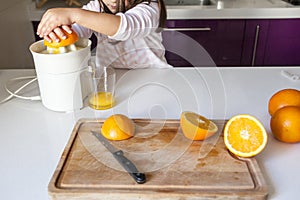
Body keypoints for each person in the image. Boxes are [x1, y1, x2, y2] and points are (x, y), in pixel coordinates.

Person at [36, 0, 172, 69]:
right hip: (111, 78)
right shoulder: (97, 7)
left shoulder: (151, 7)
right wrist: (60, 30)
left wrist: (74, 14)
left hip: (152, 75)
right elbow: (76, 32)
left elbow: (124, 28)